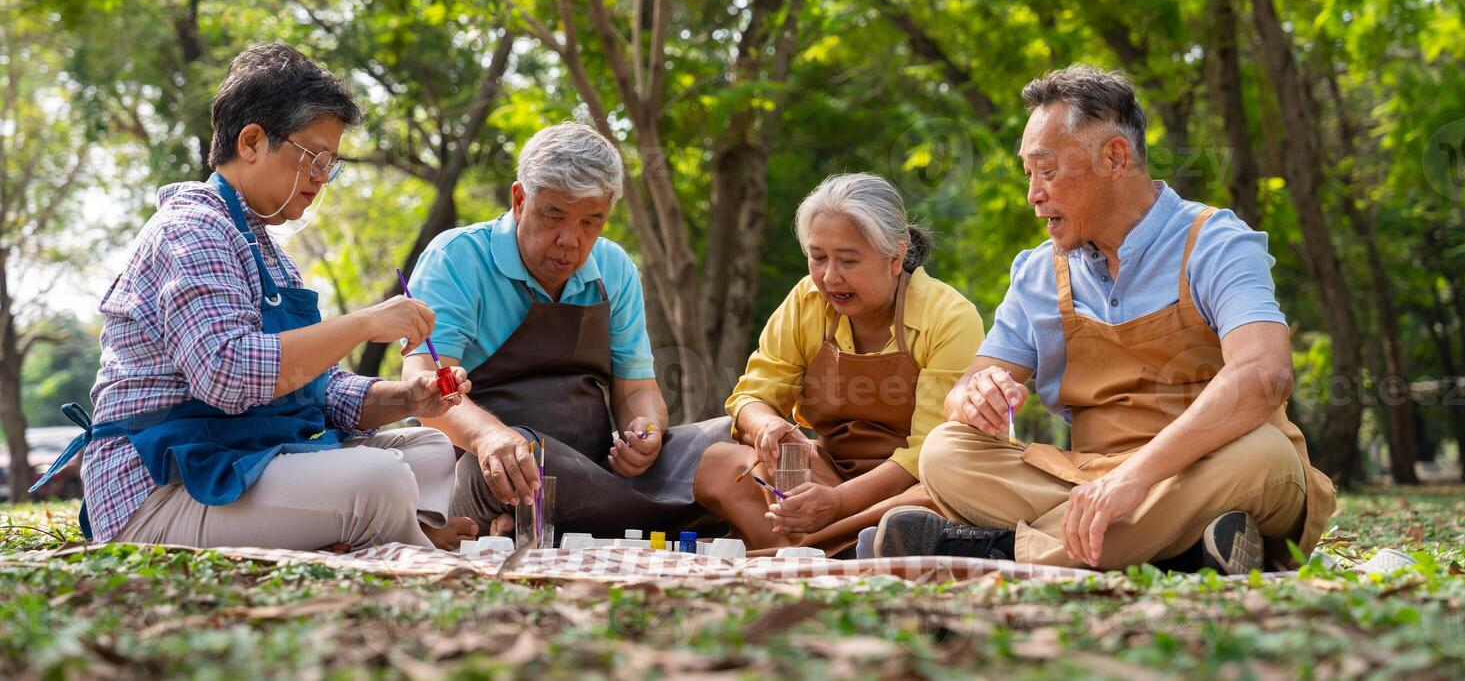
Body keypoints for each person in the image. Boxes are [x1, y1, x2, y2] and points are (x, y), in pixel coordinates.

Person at [875, 65, 1336, 573]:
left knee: (1266, 456)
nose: (1033, 194)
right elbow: (966, 390)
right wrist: (975, 396)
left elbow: (1264, 373)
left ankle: (999, 552)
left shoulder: (1216, 243)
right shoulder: (1036, 272)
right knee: (945, 452)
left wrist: (1136, 477)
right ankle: (1181, 552)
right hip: (1088, 481)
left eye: (1046, 171)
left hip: (1216, 466)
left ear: (1115, 157)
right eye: (1029, 175)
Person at [36, 44, 475, 551]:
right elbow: (226, 375)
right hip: (162, 489)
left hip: (238, 459)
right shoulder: (192, 229)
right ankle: (400, 542)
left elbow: (318, 389)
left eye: (330, 165)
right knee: (381, 478)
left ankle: (363, 533)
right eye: (314, 157)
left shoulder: (265, 249)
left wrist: (404, 399)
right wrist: (363, 324)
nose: (320, 179)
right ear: (251, 141)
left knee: (429, 447)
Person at [405, 122, 729, 538]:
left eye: (590, 222)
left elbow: (637, 391)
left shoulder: (614, 269)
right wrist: (490, 436)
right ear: (520, 200)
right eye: (554, 215)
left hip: (594, 471)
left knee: (723, 438)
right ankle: (629, 521)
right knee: (523, 460)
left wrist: (644, 430)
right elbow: (424, 385)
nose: (569, 240)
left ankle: (566, 522)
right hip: (494, 465)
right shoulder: (457, 259)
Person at [694, 173, 985, 556]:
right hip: (824, 470)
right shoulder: (806, 300)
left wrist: (839, 502)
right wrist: (766, 426)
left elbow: (931, 451)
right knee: (723, 465)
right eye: (818, 258)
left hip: (909, 484)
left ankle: (803, 547)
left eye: (848, 260)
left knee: (944, 496)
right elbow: (752, 394)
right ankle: (861, 546)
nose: (830, 277)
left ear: (896, 257)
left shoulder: (949, 317)